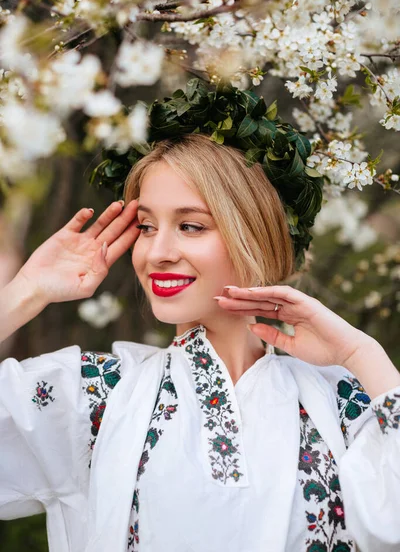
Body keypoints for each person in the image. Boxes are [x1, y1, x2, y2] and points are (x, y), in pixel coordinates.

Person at [0, 133, 399, 552]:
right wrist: (26, 291)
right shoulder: (94, 397)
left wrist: (362, 354)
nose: (158, 252)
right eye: (147, 227)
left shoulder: (342, 404)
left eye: (190, 226)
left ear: (254, 237)